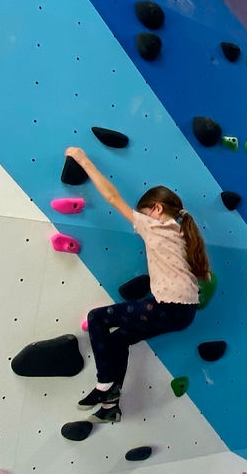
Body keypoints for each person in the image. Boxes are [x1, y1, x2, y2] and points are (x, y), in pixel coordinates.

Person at [64, 147, 211, 423]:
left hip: (167, 306)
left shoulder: (153, 226)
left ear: (155, 210)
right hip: (185, 313)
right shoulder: (183, 233)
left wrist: (83, 160)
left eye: (144, 211)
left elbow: (111, 196)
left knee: (98, 318)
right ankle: (111, 407)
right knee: (119, 338)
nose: (139, 217)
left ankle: (104, 384)